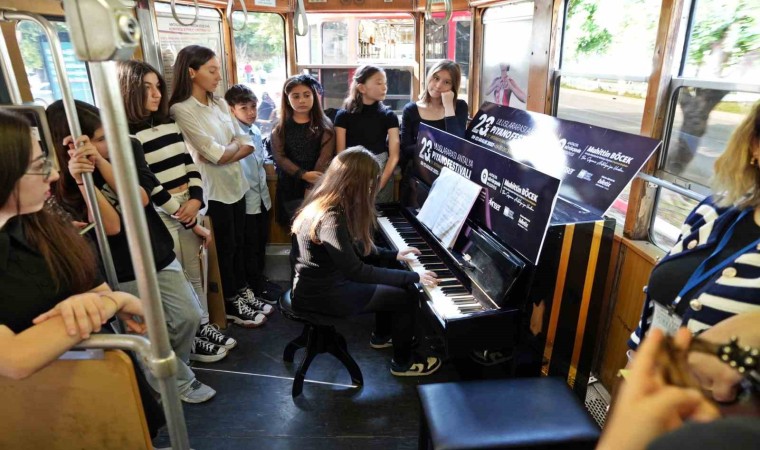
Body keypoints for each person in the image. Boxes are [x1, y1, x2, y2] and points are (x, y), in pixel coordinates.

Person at [0, 109, 167, 438]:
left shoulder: (42, 224)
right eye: (39, 166)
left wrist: (93, 303)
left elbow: (96, 288)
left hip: (97, 384)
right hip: (33, 410)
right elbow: (15, 358)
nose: (52, 175)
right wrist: (111, 304)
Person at [46, 100, 217, 403]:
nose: (109, 143)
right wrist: (83, 179)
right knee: (144, 329)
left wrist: (101, 161)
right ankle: (175, 383)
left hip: (154, 246)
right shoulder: (62, 178)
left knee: (188, 316)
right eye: (100, 139)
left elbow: (140, 198)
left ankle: (170, 372)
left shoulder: (128, 148)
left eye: (108, 134)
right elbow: (110, 226)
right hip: (118, 263)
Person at [628, 102, 760, 386]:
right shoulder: (715, 210)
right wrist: (633, 371)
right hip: (644, 377)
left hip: (711, 410)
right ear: (755, 146)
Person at [117, 60, 237, 359]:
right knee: (179, 277)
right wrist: (180, 211)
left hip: (187, 205)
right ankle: (191, 337)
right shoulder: (126, 135)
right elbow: (147, 181)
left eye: (158, 86)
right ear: (128, 91)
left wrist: (195, 199)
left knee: (196, 272)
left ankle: (203, 325)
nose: (157, 94)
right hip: (164, 213)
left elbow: (188, 162)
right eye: (147, 88)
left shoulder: (169, 124)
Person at [291, 146, 442, 376]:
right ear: (354, 182)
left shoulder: (326, 201)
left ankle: (383, 335)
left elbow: (351, 248)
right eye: (370, 182)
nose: (372, 187)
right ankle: (404, 363)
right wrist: (414, 276)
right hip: (322, 295)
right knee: (405, 296)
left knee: (391, 277)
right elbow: (357, 271)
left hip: (316, 285)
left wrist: (393, 255)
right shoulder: (331, 217)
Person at [168, 45, 273, 327]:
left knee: (238, 245)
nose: (218, 76)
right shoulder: (181, 109)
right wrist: (227, 150)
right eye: (212, 70)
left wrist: (226, 151)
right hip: (213, 192)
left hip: (237, 185)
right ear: (192, 72)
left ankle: (241, 290)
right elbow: (211, 155)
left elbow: (246, 142)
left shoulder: (219, 104)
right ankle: (229, 303)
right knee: (225, 250)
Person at [224, 84, 282, 304]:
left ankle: (260, 281)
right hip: (245, 199)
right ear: (231, 109)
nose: (251, 112)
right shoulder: (231, 133)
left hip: (261, 197)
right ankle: (253, 287)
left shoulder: (255, 130)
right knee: (247, 247)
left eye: (253, 107)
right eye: (244, 108)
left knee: (260, 243)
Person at [399, 60, 469, 204]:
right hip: (419, 176)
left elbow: (457, 144)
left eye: (446, 82)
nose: (438, 85)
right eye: (436, 78)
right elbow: (406, 148)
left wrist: (448, 106)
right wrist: (440, 147)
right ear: (429, 77)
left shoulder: (460, 106)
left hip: (449, 176)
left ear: (453, 86)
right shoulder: (411, 110)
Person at [271, 74, 335, 228]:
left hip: (317, 183)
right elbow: (279, 157)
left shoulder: (325, 125)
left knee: (315, 229)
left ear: (314, 97)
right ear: (287, 99)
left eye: (307, 95)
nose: (302, 100)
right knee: (294, 229)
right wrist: (303, 174)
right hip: (290, 183)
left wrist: (311, 184)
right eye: (296, 96)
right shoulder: (280, 127)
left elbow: (325, 156)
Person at [334, 65, 400, 203]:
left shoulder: (389, 116)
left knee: (379, 213)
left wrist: (379, 185)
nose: (384, 87)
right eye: (379, 83)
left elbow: (394, 155)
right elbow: (340, 154)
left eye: (385, 83)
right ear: (362, 88)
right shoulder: (343, 116)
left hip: (380, 171)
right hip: (351, 171)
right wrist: (349, 181)